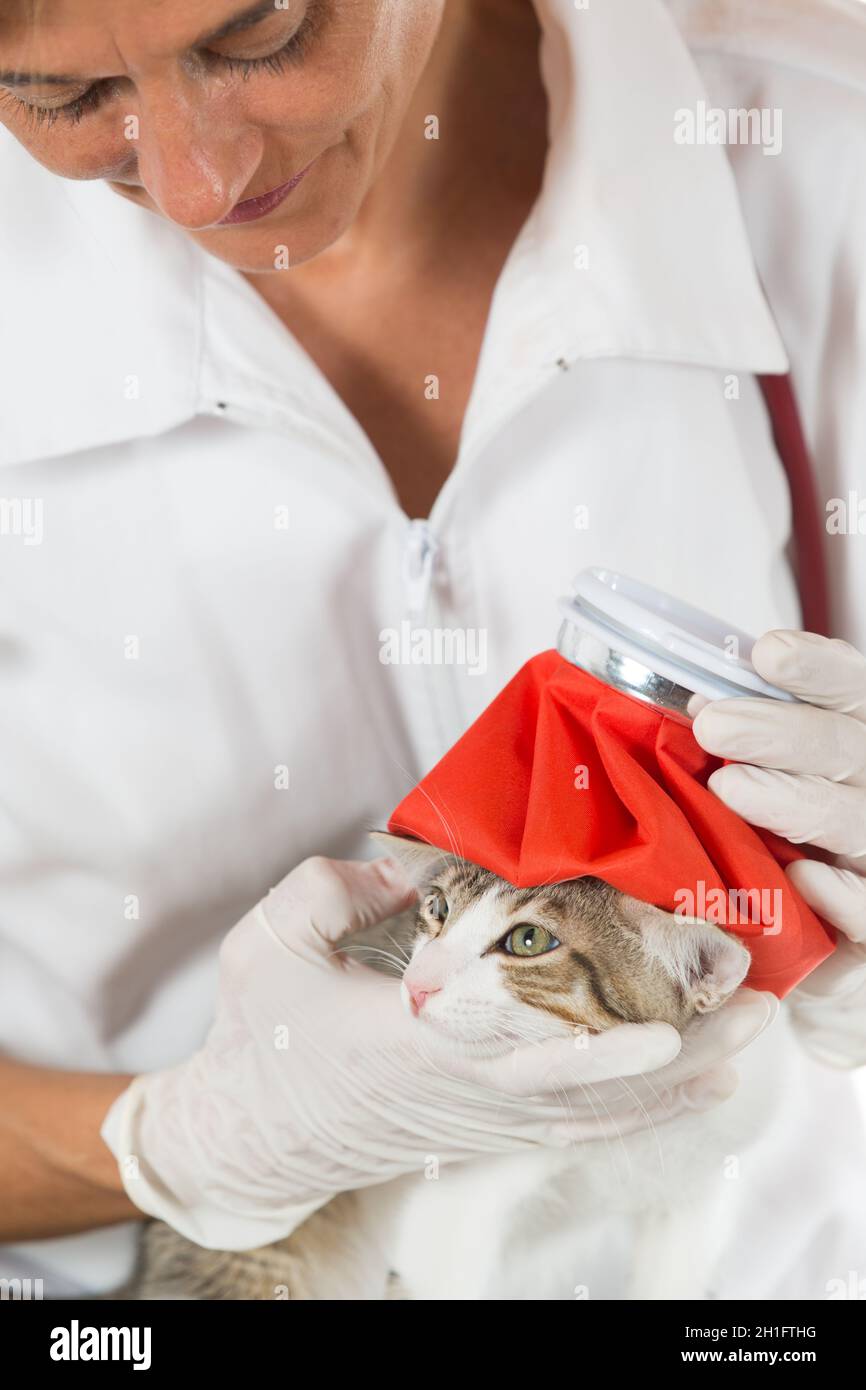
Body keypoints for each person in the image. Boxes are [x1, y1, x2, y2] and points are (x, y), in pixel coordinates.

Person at [0, 0, 864, 1299]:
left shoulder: (821, 158)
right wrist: (175, 1138)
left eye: (260, 37)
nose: (196, 179)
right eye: (59, 98)